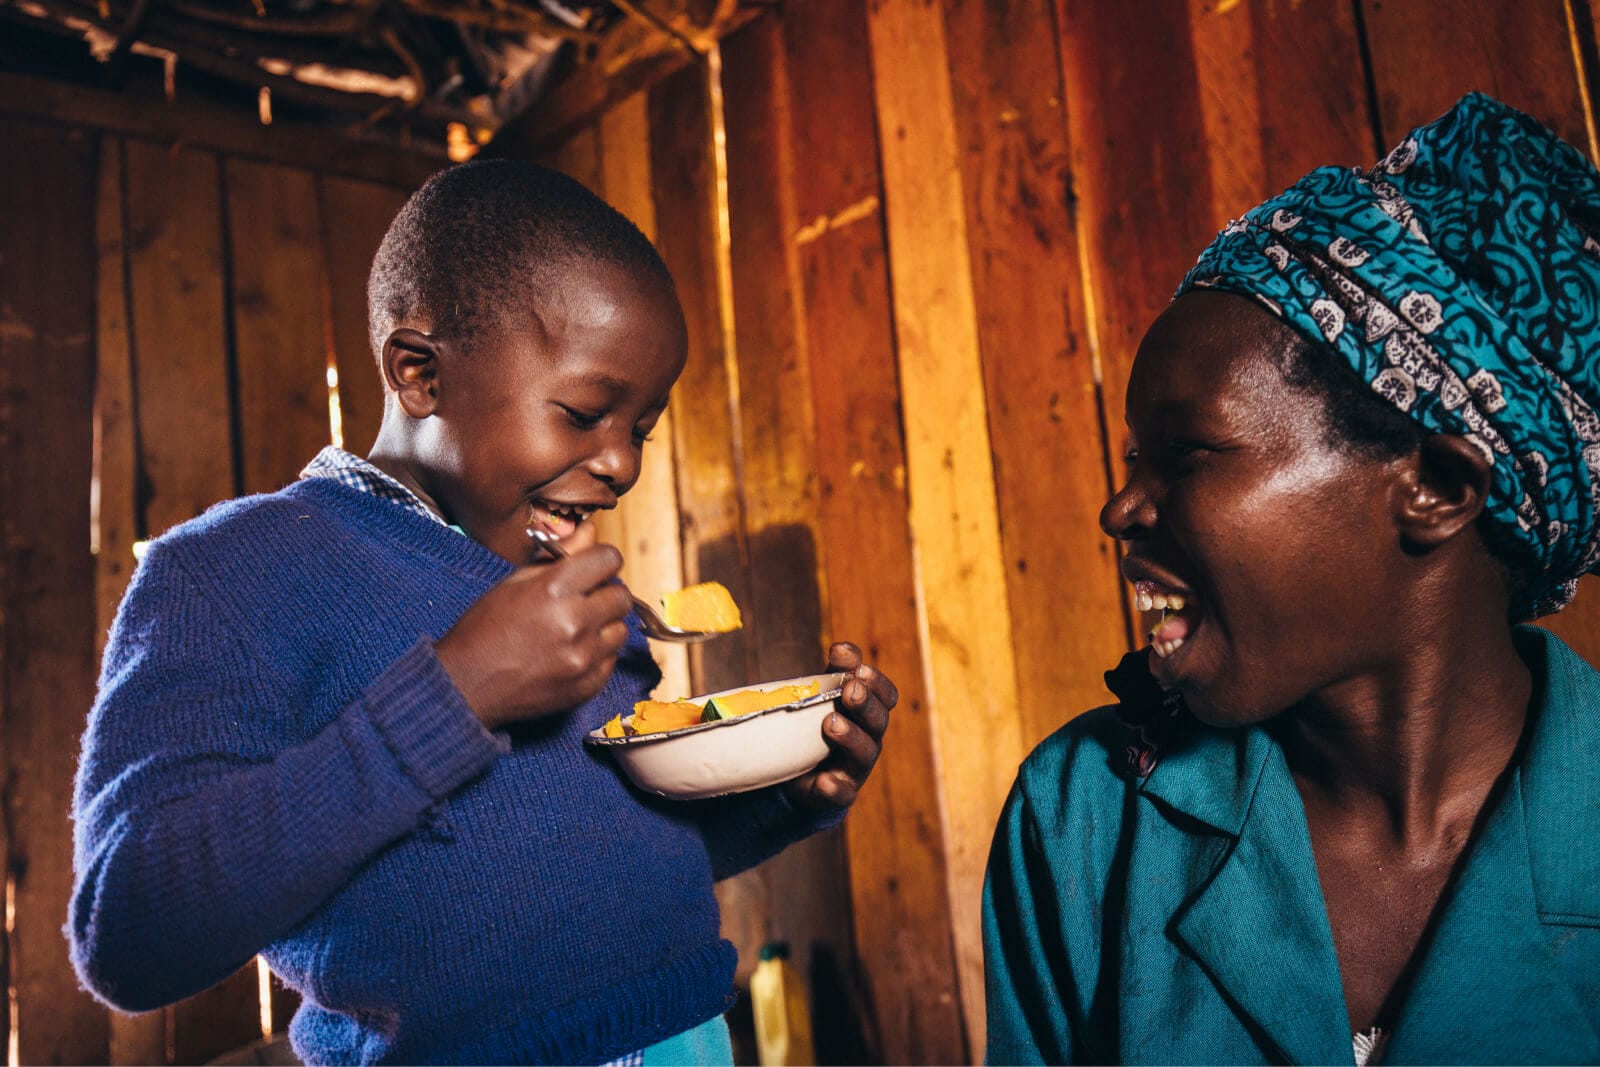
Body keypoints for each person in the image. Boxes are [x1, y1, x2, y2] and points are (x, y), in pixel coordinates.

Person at [69, 160, 897, 1066]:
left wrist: (778, 804)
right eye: (586, 413)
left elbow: (588, 886)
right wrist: (453, 696)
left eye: (641, 429)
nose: (622, 463)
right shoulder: (232, 573)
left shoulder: (564, 592)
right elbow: (127, 930)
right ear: (419, 374)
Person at [982, 93, 1600, 1065]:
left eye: (1183, 454)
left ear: (1434, 486)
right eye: (1133, 456)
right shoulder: (1080, 820)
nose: (1119, 509)